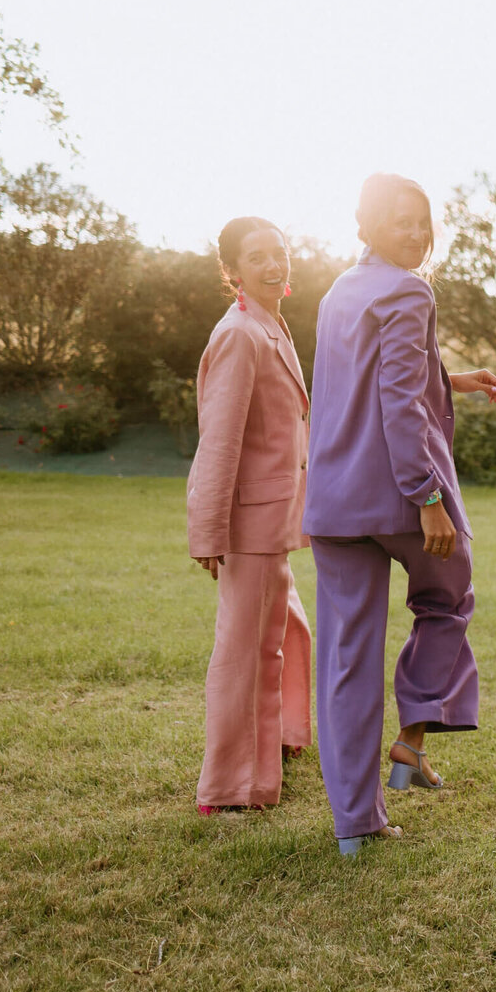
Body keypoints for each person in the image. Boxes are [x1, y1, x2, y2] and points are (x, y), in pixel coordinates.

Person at [303, 173, 496, 856]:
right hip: (396, 495)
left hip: (333, 500)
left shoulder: (339, 290)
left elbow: (386, 373)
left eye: (423, 220)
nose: (417, 233)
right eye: (400, 221)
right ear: (365, 224)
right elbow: (397, 399)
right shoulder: (411, 289)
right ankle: (412, 737)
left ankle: (355, 822)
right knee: (448, 600)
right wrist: (427, 498)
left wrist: (455, 376)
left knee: (345, 658)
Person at [186, 216, 313, 814]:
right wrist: (209, 531)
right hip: (249, 525)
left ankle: (285, 736)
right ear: (232, 270)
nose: (272, 265)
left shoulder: (272, 326)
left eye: (279, 253)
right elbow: (220, 440)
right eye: (257, 257)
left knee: (291, 633)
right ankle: (233, 787)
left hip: (277, 517)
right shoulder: (239, 334)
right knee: (246, 654)